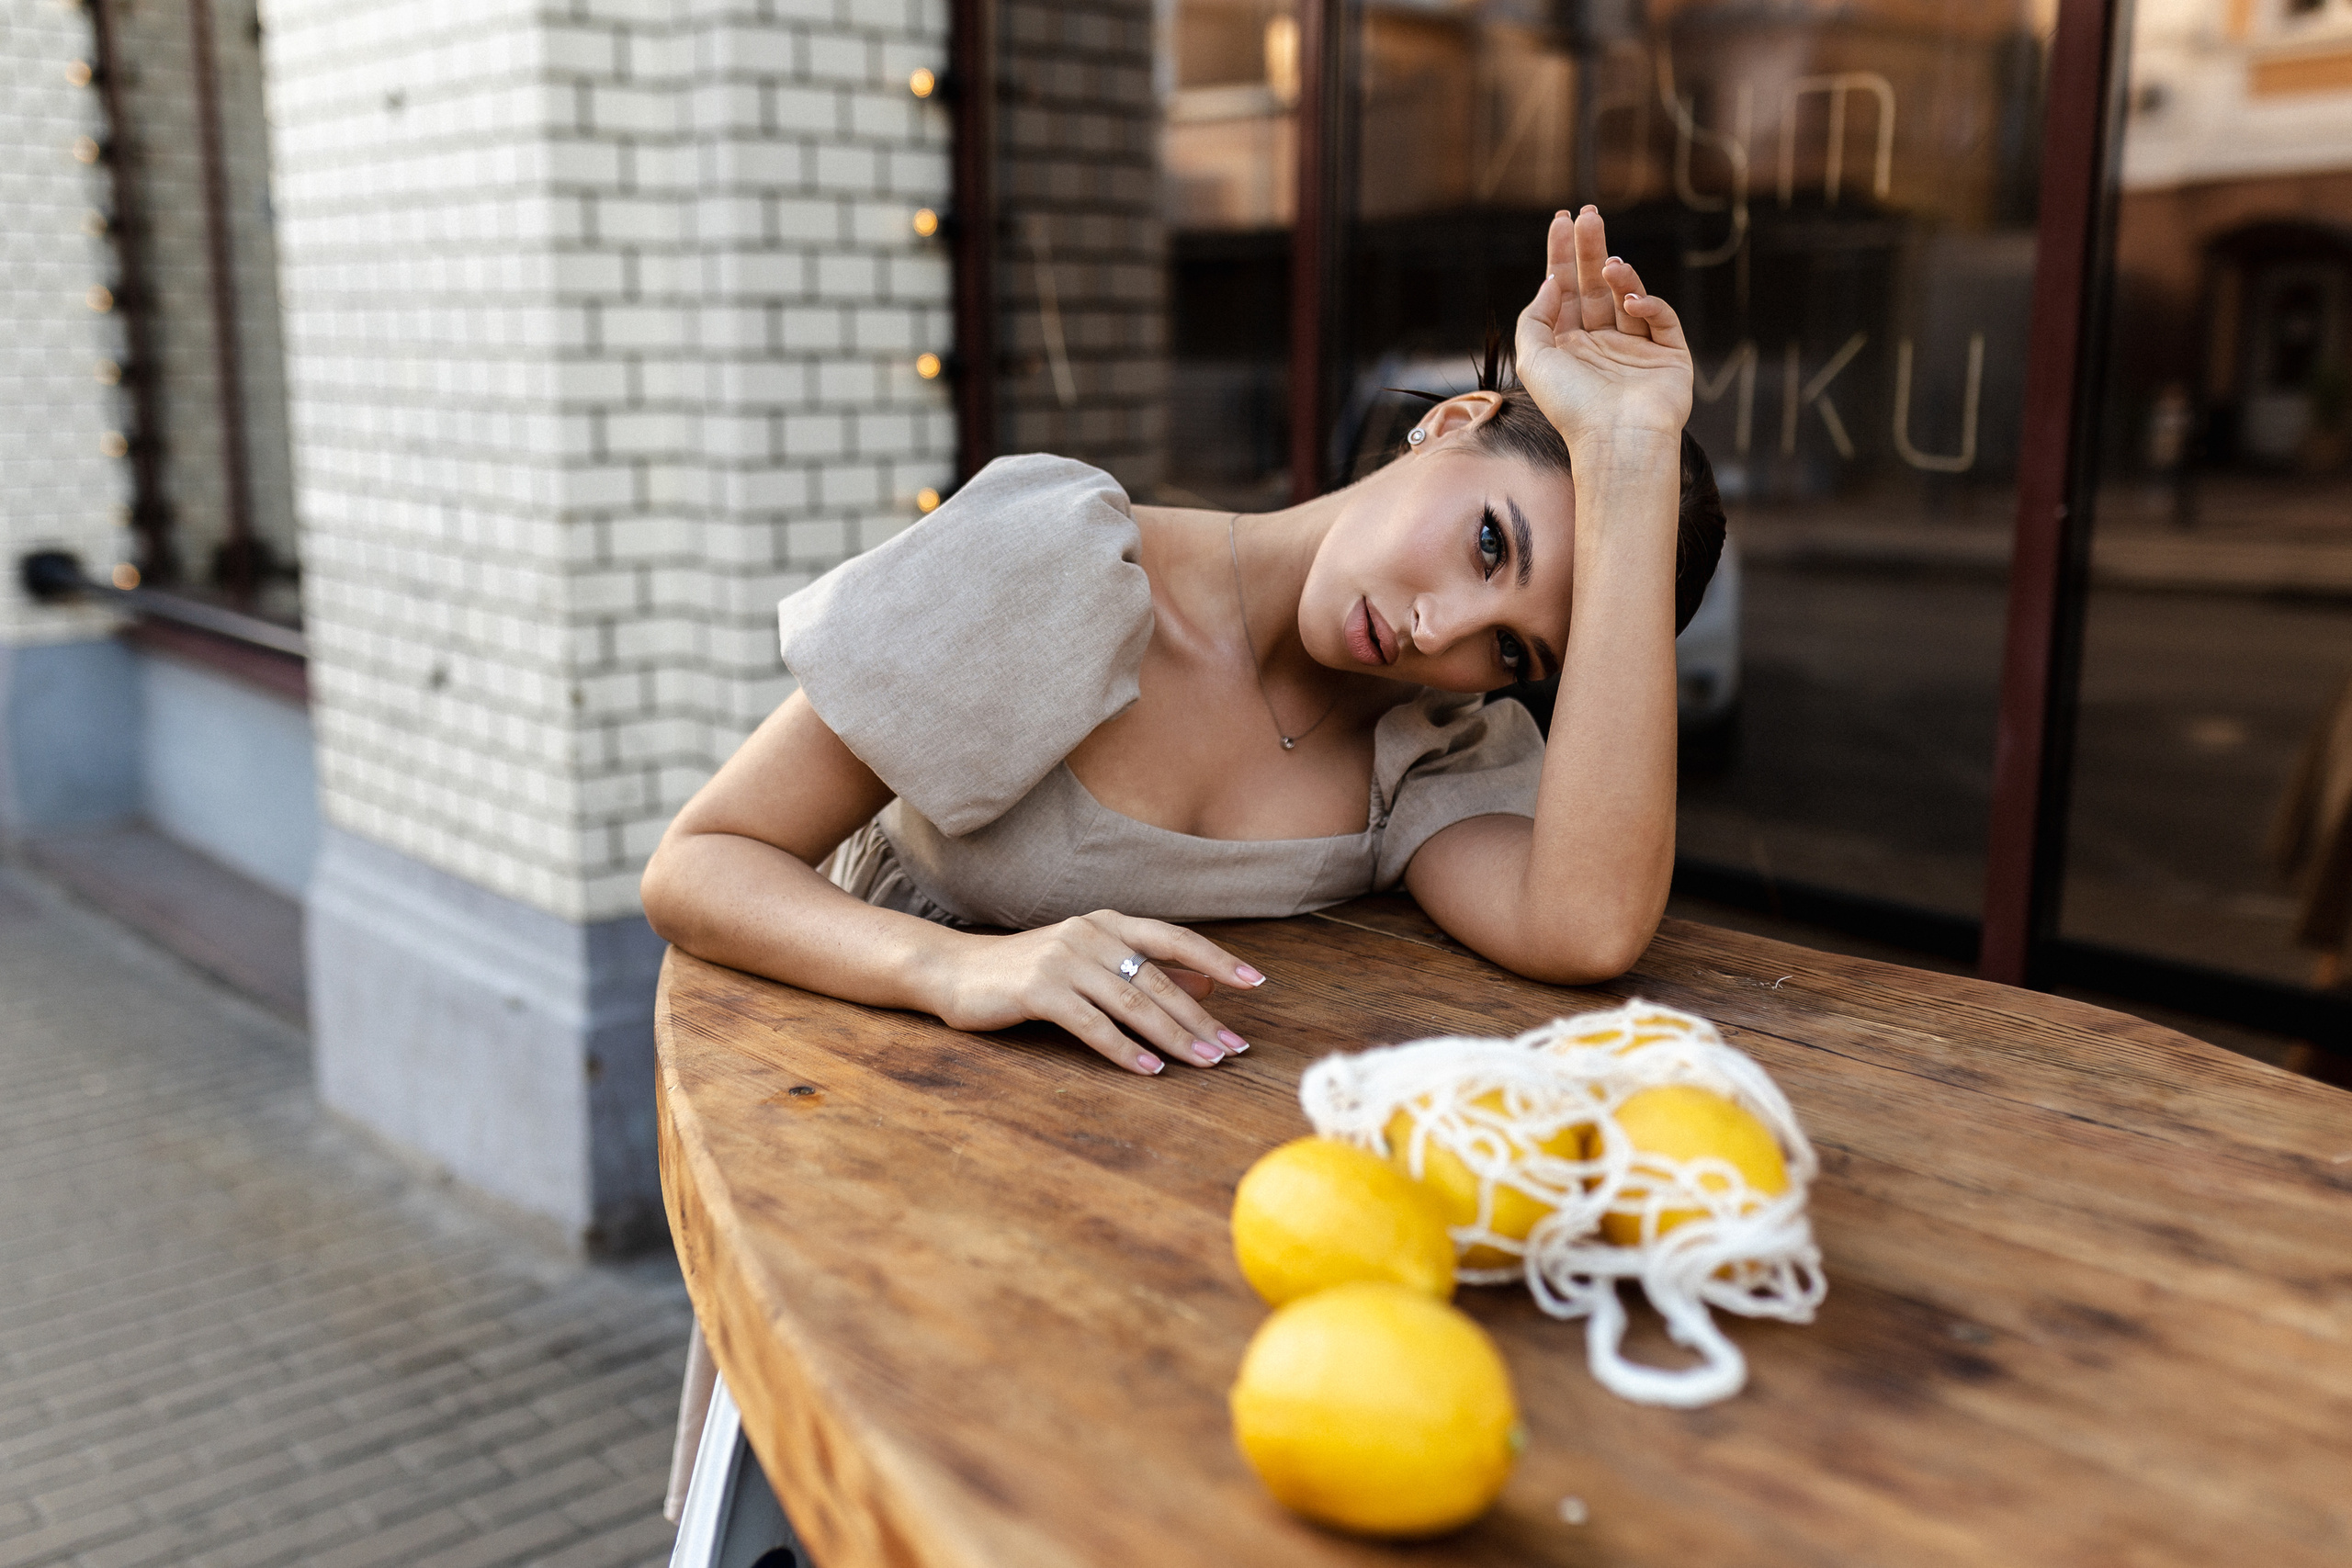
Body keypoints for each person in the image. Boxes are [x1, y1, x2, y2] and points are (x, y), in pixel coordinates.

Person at [642, 206, 1721, 1077]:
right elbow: (700, 864)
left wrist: (1629, 462)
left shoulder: (1430, 754)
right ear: (1449, 422)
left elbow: (1583, 928)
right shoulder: (1053, 564)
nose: (1441, 636)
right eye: (1490, 544)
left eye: (1513, 657)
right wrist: (956, 968)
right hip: (857, 1128)